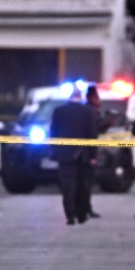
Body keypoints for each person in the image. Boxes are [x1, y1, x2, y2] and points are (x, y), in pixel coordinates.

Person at [50, 89, 98, 225]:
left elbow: (53, 132)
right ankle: (82, 214)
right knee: (82, 184)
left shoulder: (59, 111)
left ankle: (70, 214)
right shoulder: (88, 112)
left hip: (64, 154)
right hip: (83, 155)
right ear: (80, 97)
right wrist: (93, 155)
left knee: (67, 185)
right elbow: (92, 135)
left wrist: (54, 151)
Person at [84, 85, 105, 219]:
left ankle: (84, 207)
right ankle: (85, 208)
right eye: (97, 97)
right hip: (87, 152)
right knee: (86, 182)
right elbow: (93, 133)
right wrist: (92, 156)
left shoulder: (86, 110)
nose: (99, 100)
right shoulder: (91, 112)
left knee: (84, 182)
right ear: (92, 98)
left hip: (81, 151)